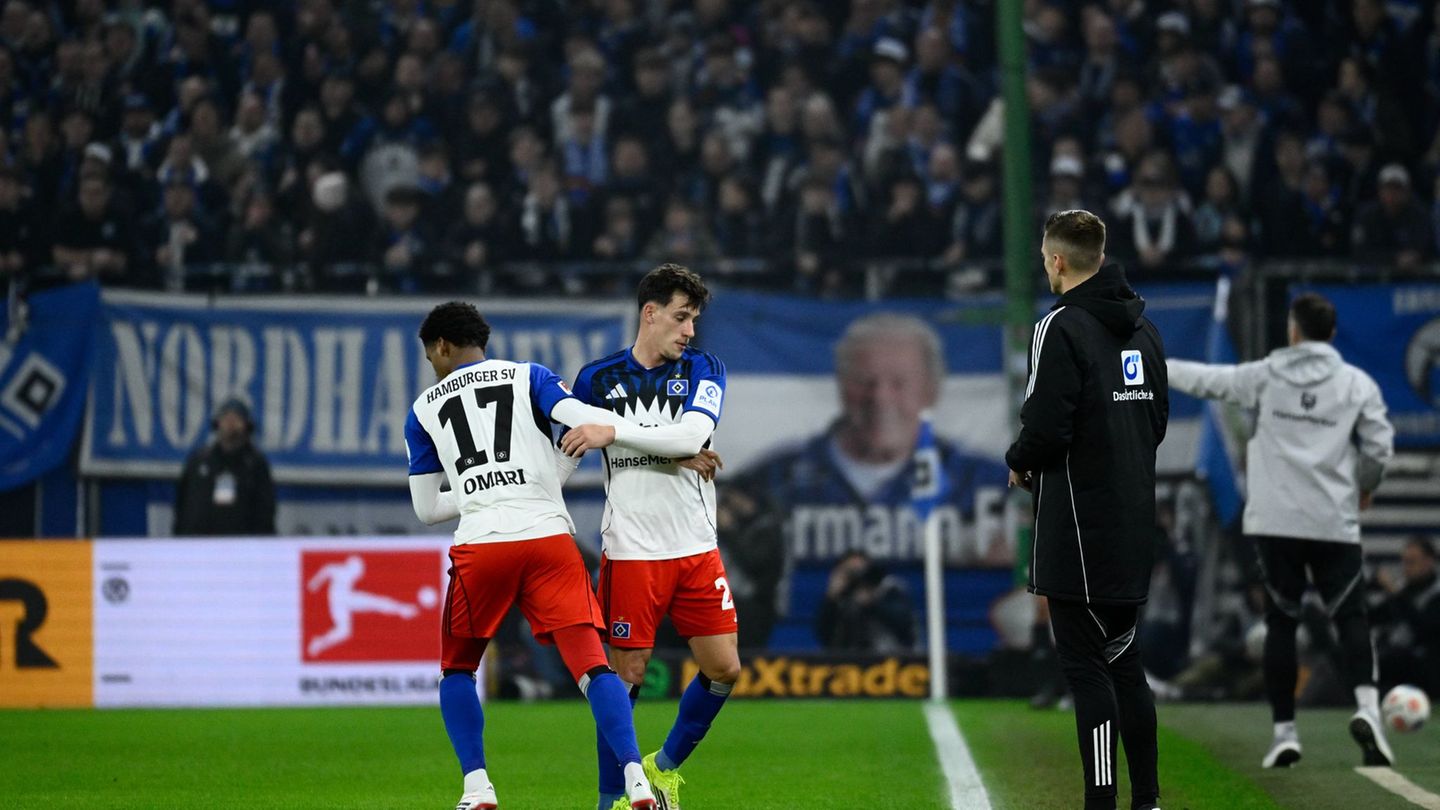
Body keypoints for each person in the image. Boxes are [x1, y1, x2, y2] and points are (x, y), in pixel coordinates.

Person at [407, 301, 724, 810]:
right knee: (596, 669)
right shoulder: (528, 376)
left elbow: (426, 509)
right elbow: (589, 426)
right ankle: (635, 779)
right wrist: (673, 450)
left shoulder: (422, 410)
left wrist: (478, 492)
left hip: (482, 544)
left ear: (441, 347)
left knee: (458, 669)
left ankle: (477, 787)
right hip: (548, 541)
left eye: (431, 356)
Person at [1167, 292, 1395, 769]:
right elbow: (1378, 447)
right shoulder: (1357, 384)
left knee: (1281, 623)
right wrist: (1366, 487)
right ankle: (1368, 709)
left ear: (1293, 331)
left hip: (1276, 524)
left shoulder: (1266, 376)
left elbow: (1208, 381)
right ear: (1331, 334)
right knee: (1351, 617)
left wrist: (1155, 363)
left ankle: (1285, 733)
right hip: (1333, 519)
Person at [1005, 209, 1168, 810]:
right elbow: (1156, 422)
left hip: (1076, 522)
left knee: (1084, 667)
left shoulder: (1061, 326)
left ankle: (1101, 802)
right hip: (1132, 522)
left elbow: (1046, 425)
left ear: (1056, 260)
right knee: (1125, 660)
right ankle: (1146, 800)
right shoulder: (1145, 329)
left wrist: (1020, 459)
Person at [721, 313, 1010, 647]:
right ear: (841, 384)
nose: (881, 397)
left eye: (899, 383)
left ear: (931, 390)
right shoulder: (772, 478)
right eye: (865, 381)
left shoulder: (983, 481)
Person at [565, 264, 736, 810]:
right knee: (626, 677)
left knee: (724, 668)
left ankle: (662, 769)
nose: (690, 331)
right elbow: (571, 445)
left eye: (694, 320)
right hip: (632, 549)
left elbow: (692, 432)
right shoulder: (596, 380)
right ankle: (611, 799)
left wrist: (613, 431)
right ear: (650, 313)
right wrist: (666, 450)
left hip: (695, 547)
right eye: (682, 318)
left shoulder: (705, 368)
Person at [173, 398, 276, 536]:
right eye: (226, 418)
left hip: (241, 546)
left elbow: (265, 510)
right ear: (218, 423)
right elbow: (182, 503)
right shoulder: (199, 461)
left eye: (236, 419)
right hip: (199, 545)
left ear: (246, 425)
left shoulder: (256, 464)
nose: (230, 424)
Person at [1373, 536, 1440, 696]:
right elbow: (1375, 617)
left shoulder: (1436, 594)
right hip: (1397, 664)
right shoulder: (1406, 590)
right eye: (1404, 562)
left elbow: (1424, 629)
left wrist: (1395, 594)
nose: (1406, 568)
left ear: (1428, 561)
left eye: (1412, 562)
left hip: (1426, 668)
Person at [814, 551, 917, 651]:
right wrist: (831, 599)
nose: (858, 576)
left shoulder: (889, 588)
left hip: (889, 659)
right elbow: (823, 634)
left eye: (861, 570)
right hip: (846, 660)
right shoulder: (840, 595)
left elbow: (903, 623)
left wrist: (873, 603)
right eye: (851, 571)